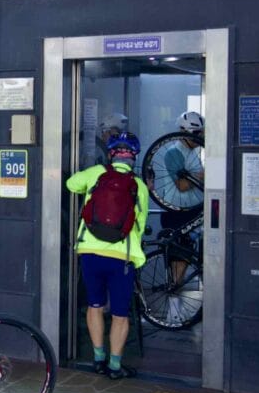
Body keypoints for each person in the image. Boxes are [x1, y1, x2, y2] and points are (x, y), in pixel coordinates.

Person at [66, 132, 149, 379]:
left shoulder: (96, 174)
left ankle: (98, 359)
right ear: (134, 156)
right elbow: (140, 225)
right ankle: (115, 366)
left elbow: (71, 184)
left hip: (90, 252)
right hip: (121, 257)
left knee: (95, 306)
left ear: (111, 154)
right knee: (120, 314)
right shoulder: (140, 186)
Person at [159, 111, 205, 321]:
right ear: (182, 132)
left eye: (200, 132)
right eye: (195, 133)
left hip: (193, 210)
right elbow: (183, 185)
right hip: (177, 212)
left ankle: (176, 308)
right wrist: (203, 175)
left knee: (186, 260)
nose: (199, 136)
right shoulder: (174, 153)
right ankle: (173, 310)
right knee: (178, 262)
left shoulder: (193, 152)